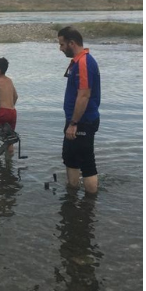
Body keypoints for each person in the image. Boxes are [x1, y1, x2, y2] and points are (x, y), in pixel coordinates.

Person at [59, 25, 99, 193]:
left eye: (62, 44)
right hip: (74, 120)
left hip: (82, 121)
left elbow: (84, 95)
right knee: (70, 158)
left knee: (86, 161)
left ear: (72, 43)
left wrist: (74, 123)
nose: (60, 48)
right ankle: (72, 195)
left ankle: (89, 206)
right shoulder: (77, 62)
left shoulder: (84, 63)